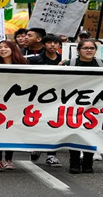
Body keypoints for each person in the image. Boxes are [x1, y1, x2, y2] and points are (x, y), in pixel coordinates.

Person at [60, 39, 103, 174]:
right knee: (74, 132)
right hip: (73, 104)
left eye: (92, 48)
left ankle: (88, 163)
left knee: (91, 132)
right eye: (85, 48)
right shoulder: (69, 64)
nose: (89, 50)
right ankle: (74, 163)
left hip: (95, 105)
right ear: (78, 50)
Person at [0, 40, 27, 172]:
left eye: (6, 47)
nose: (3, 49)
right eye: (0, 47)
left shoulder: (23, 65)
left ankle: (9, 159)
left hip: (16, 101)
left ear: (13, 49)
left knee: (12, 128)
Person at [27, 34, 63, 167]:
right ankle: (37, 146)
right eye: (49, 43)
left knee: (55, 124)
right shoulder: (34, 61)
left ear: (60, 45)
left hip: (59, 97)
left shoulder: (65, 61)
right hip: (39, 96)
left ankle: (51, 155)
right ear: (44, 45)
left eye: (55, 43)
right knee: (40, 123)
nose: (52, 45)